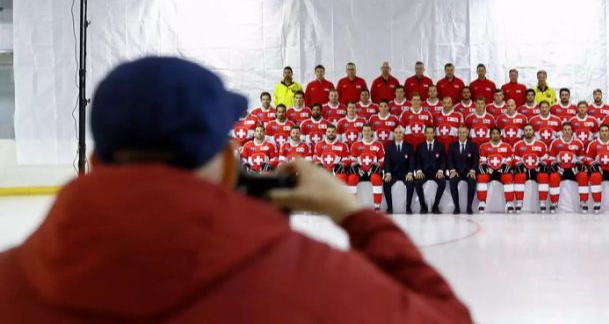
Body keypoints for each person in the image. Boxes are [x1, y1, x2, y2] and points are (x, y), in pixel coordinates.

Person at [0, 56, 471, 323]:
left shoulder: (9, 281)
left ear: (95, 163)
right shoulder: (306, 278)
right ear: (229, 164)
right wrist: (355, 215)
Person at [547, 123, 588, 214]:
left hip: (573, 168)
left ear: (572, 131)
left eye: (569, 129)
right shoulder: (555, 142)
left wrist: (579, 163)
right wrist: (554, 164)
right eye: (565, 129)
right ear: (562, 131)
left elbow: (582, 157)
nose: (567, 131)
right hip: (560, 168)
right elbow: (551, 157)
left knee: (583, 175)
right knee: (554, 176)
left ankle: (583, 201)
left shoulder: (578, 142)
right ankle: (554, 202)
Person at [383, 127, 422, 214]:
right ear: (394, 134)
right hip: (393, 173)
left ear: (403, 134)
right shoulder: (389, 147)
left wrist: (410, 173)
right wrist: (388, 173)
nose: (398, 134)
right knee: (386, 183)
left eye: (400, 132)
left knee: (411, 182)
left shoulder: (409, 147)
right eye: (396, 132)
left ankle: (408, 208)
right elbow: (387, 162)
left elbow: (412, 162)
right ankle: (389, 208)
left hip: (405, 173)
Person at [350, 124, 387, 211]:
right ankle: (352, 205)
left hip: (373, 171)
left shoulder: (378, 145)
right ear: (362, 132)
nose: (366, 132)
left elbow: (382, 159)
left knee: (376, 179)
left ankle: (377, 206)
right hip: (360, 172)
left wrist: (378, 165)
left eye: (368, 130)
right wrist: (356, 167)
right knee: (351, 178)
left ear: (372, 132)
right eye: (365, 130)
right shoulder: (355, 145)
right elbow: (352, 160)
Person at [513, 124, 549, 212]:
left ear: (533, 131)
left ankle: (542, 202)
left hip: (536, 169)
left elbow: (545, 157)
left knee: (543, 176)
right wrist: (518, 164)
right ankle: (519, 201)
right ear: (523, 132)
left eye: (530, 130)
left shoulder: (541, 144)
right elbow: (515, 158)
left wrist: (542, 164)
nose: (528, 132)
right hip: (524, 169)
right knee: (519, 176)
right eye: (526, 130)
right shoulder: (518, 145)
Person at [477, 128, 514, 213]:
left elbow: (509, 160)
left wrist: (506, 166)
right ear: (490, 135)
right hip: (489, 171)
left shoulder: (507, 146)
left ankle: (509, 202)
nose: (495, 135)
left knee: (508, 177)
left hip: (502, 172)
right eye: (493, 133)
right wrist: (484, 166)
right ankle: (482, 202)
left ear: (500, 135)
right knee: (481, 177)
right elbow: (482, 160)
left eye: (497, 133)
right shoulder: (484, 146)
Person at [448, 126, 479, 214]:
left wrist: (472, 170)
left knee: (472, 181)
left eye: (464, 132)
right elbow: (449, 160)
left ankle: (469, 206)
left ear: (467, 133)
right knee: (452, 181)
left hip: (468, 172)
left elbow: (475, 160)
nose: (462, 134)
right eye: (460, 132)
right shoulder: (452, 146)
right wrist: (453, 170)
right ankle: (456, 207)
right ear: (457, 134)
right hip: (456, 172)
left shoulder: (473, 145)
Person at [415, 126, 446, 214]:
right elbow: (417, 161)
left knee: (442, 182)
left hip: (436, 173)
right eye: (427, 133)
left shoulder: (440, 146)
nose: (429, 135)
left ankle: (435, 206)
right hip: (424, 173)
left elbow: (443, 161)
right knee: (417, 182)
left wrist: (440, 171)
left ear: (434, 134)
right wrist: (419, 171)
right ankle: (423, 206)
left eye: (431, 133)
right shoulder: (420, 146)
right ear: (425, 134)